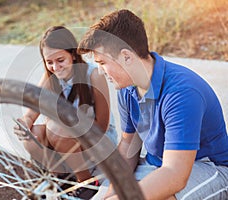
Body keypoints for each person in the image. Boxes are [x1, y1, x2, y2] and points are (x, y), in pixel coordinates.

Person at [77, 9, 228, 200]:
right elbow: (128, 148)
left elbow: (175, 175)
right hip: (157, 164)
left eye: (102, 63)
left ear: (126, 57)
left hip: (207, 167)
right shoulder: (127, 87)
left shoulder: (182, 92)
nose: (99, 72)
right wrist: (111, 195)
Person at [14, 26, 118, 199]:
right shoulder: (50, 77)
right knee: (31, 135)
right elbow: (31, 113)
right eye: (49, 62)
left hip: (97, 140)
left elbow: (102, 124)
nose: (55, 67)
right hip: (66, 144)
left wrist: (67, 127)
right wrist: (24, 122)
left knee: (56, 127)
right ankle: (61, 177)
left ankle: (86, 182)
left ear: (74, 54)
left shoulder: (93, 75)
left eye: (60, 59)